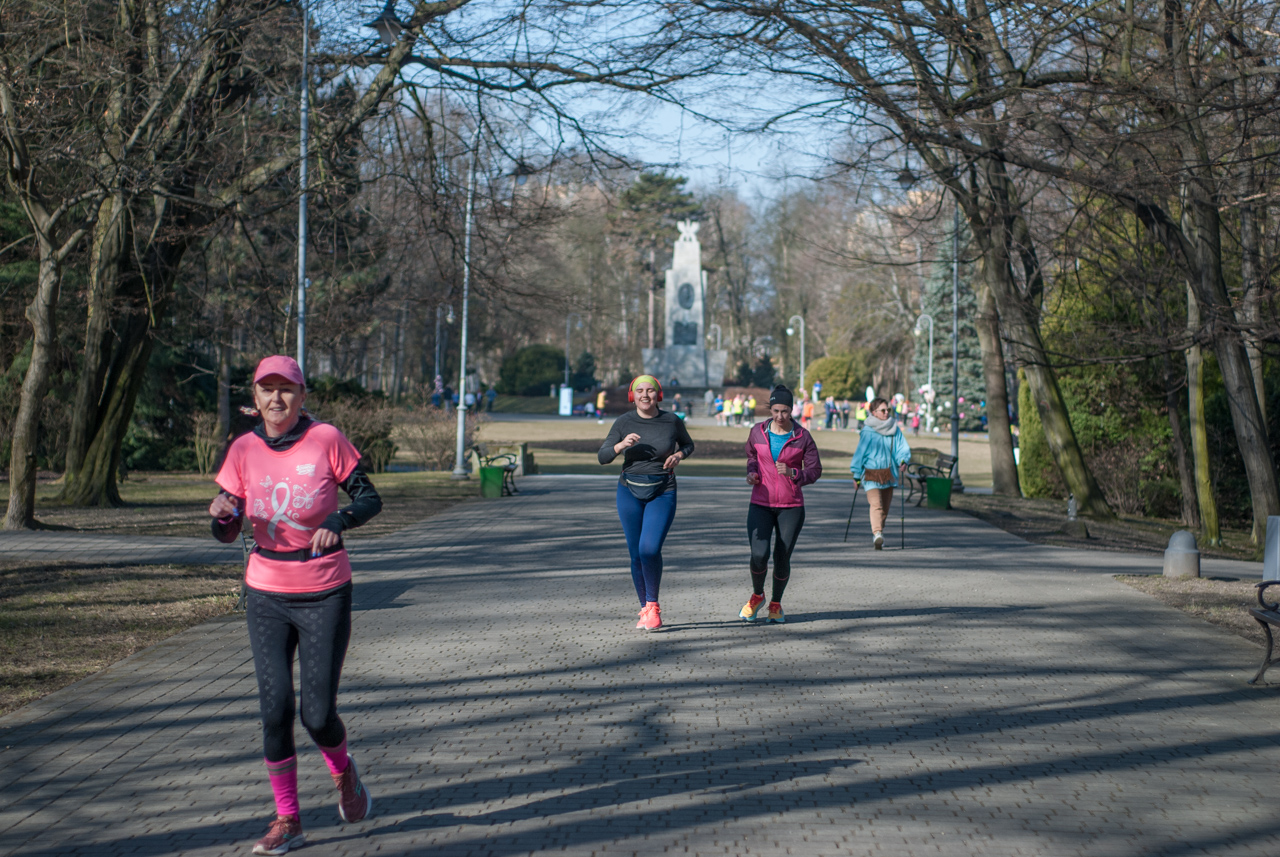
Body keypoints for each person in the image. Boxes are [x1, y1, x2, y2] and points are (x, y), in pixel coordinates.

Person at [208, 356, 381, 856]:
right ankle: (288, 820)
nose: (277, 399)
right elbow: (227, 525)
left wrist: (341, 520)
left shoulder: (326, 439)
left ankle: (344, 774)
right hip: (265, 591)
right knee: (275, 709)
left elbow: (369, 498)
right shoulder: (242, 449)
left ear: (302, 397)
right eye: (268, 390)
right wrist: (222, 515)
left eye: (287, 390)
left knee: (317, 715)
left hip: (325, 589)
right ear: (256, 398)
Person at [598, 375, 694, 631]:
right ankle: (647, 608)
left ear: (658, 395)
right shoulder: (623, 421)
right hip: (628, 490)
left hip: (663, 489)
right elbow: (602, 457)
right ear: (632, 395)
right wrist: (620, 445)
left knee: (649, 548)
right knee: (635, 553)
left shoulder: (672, 420)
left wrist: (678, 455)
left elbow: (688, 444)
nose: (645, 395)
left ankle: (653, 604)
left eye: (650, 390)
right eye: (639, 390)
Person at [741, 385, 822, 624]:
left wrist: (794, 472)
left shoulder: (802, 436)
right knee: (759, 554)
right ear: (770, 409)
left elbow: (815, 470)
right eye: (775, 410)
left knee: (782, 556)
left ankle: (776, 603)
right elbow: (752, 457)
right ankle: (757, 596)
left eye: (785, 411)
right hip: (760, 502)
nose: (780, 416)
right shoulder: (757, 431)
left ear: (791, 409)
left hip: (791, 506)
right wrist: (751, 473)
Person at [849, 397, 912, 550]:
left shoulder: (894, 429)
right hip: (870, 474)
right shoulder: (867, 431)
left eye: (887, 410)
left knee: (885, 508)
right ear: (873, 412)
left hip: (889, 473)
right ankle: (877, 533)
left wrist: (903, 461)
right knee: (876, 505)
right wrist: (856, 475)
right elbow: (860, 454)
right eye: (882, 410)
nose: (886, 413)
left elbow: (901, 448)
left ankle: (879, 533)